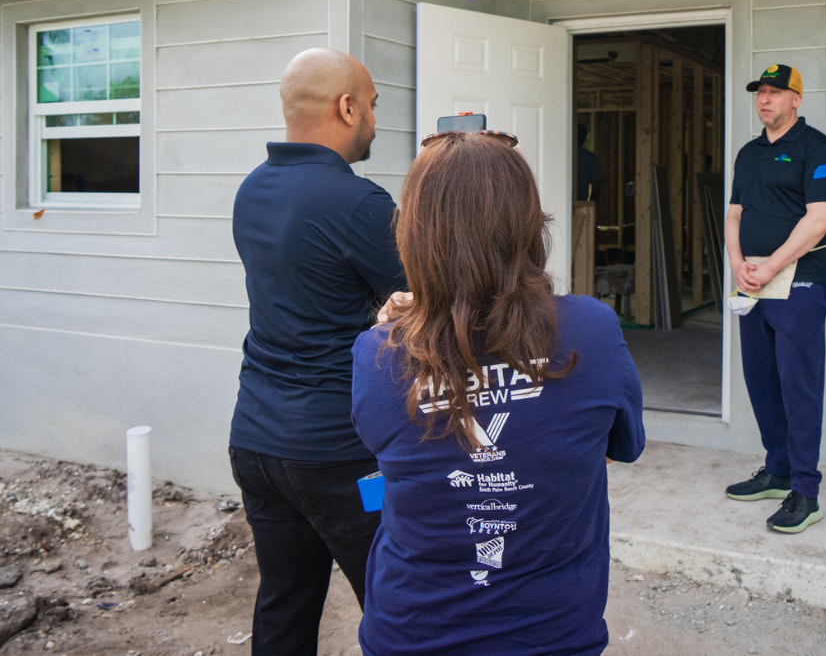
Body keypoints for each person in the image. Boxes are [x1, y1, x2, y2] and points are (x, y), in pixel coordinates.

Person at [352, 130, 644, 656]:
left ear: (414, 235)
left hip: (412, 633)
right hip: (553, 632)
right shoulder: (593, 332)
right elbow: (616, 447)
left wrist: (392, 335)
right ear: (529, 224)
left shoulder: (377, 355)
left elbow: (394, 460)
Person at [228, 48, 407, 655]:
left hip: (255, 443)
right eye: (374, 106)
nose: (376, 122)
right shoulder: (360, 204)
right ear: (347, 106)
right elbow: (423, 303)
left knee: (285, 599)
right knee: (397, 603)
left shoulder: (251, 190)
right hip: (342, 458)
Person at [723, 64, 826, 534]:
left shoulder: (818, 149)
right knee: (762, 378)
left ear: (797, 99)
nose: (765, 99)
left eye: (775, 92)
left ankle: (806, 492)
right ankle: (777, 470)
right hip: (751, 279)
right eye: (760, 92)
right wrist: (737, 263)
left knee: (798, 383)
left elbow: (819, 220)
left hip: (800, 278)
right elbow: (735, 214)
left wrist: (770, 265)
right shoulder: (749, 153)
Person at [576, 122, 605, 201]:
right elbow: (597, 187)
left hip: (557, 204)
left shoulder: (560, 155)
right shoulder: (589, 157)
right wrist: (589, 207)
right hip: (580, 206)